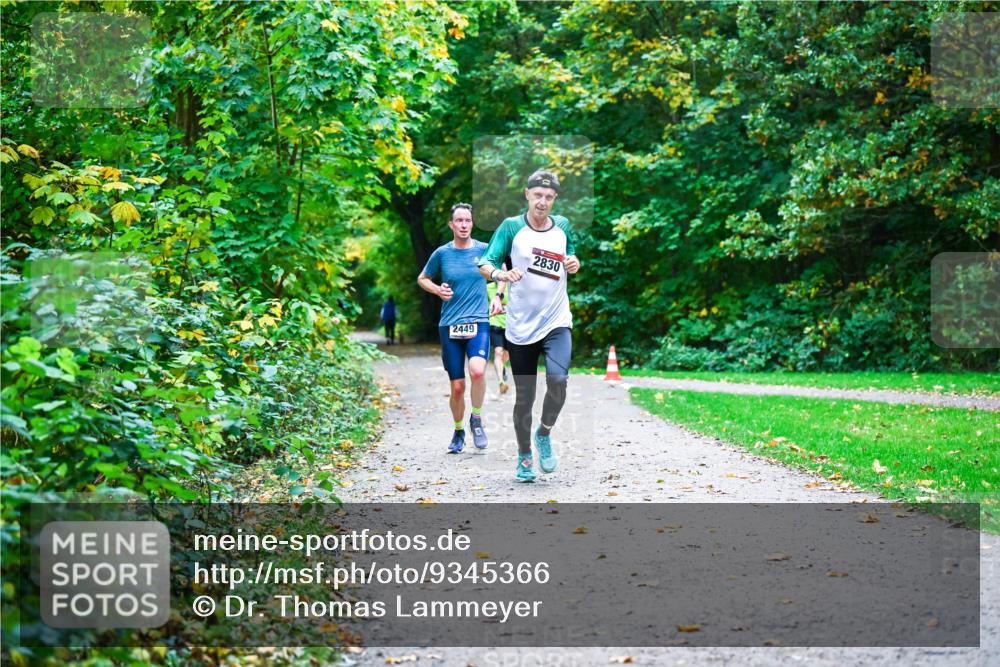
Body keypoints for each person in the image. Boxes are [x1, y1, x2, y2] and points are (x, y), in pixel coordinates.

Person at [479, 170, 580, 482]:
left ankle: (544, 433)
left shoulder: (562, 226)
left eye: (549, 197)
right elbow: (486, 263)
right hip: (521, 327)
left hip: (556, 320)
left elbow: (571, 256)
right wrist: (501, 276)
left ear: (555, 199)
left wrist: (575, 263)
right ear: (527, 194)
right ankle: (524, 456)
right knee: (525, 398)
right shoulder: (511, 227)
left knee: (559, 380)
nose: (543, 202)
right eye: (538, 195)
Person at [417, 203, 491, 453]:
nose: (463, 225)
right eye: (458, 220)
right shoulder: (442, 254)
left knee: (478, 371)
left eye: (467, 220)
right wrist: (437, 289)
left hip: (478, 320)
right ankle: (459, 430)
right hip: (450, 325)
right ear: (451, 224)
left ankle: (477, 419)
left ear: (472, 223)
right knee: (457, 387)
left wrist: (500, 296)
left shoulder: (484, 250)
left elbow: (499, 273)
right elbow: (422, 278)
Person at [486, 263, 511, 395]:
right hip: (494, 323)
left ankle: (502, 368)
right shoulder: (488, 288)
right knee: (498, 352)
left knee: (507, 354)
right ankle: (501, 382)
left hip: (510, 325)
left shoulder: (513, 288)